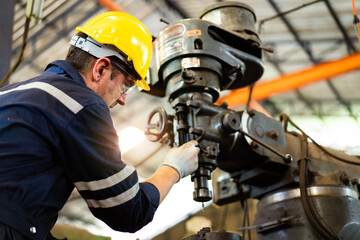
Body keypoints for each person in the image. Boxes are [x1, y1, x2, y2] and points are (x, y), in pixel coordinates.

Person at [0, 11, 199, 240]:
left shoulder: (12, 92)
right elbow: (130, 211)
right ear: (101, 68)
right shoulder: (82, 104)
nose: (123, 99)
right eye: (127, 85)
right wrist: (173, 168)